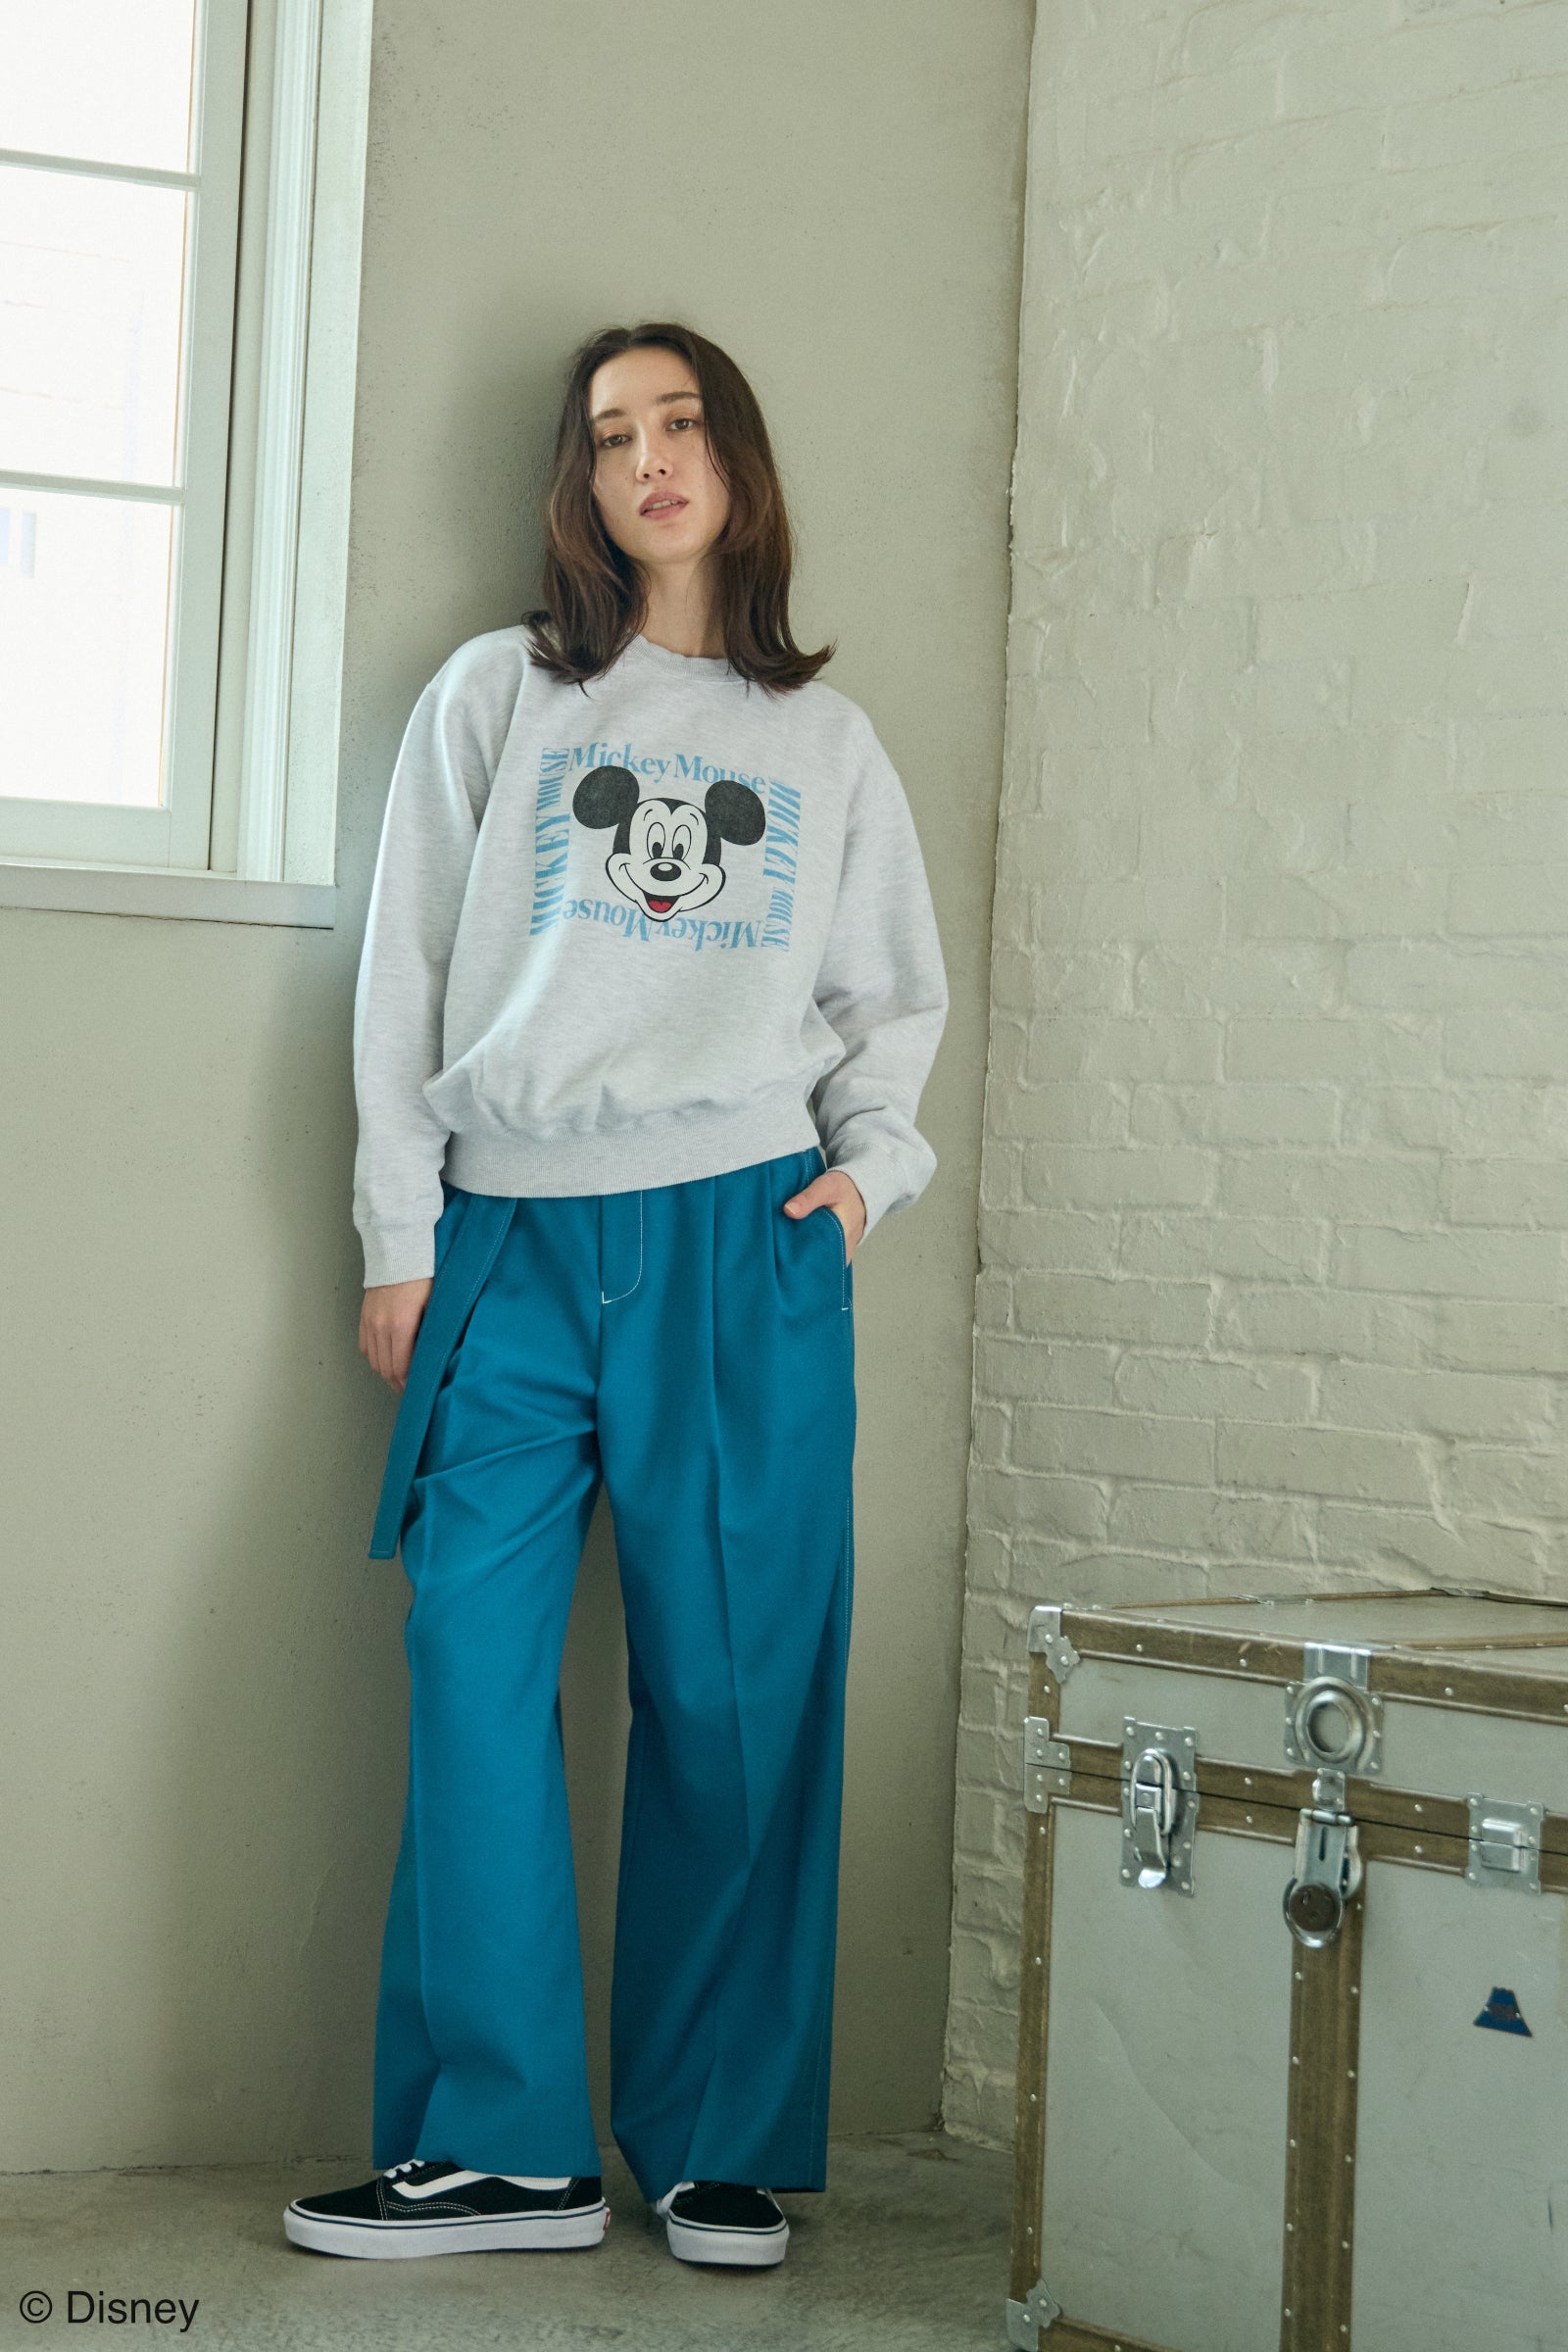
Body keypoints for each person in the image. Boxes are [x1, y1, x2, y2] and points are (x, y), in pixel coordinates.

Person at [283, 320, 948, 2273]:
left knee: (735, 1694)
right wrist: (398, 1234)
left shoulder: (822, 745)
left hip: (744, 1237)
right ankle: (503, 2149)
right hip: (507, 1239)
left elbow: (888, 997)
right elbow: (404, 971)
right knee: (472, 1677)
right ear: (576, 483)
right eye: (608, 434)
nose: (647, 458)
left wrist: (866, 1179)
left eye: (679, 423)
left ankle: (714, 2140)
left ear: (735, 461)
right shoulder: (498, 695)